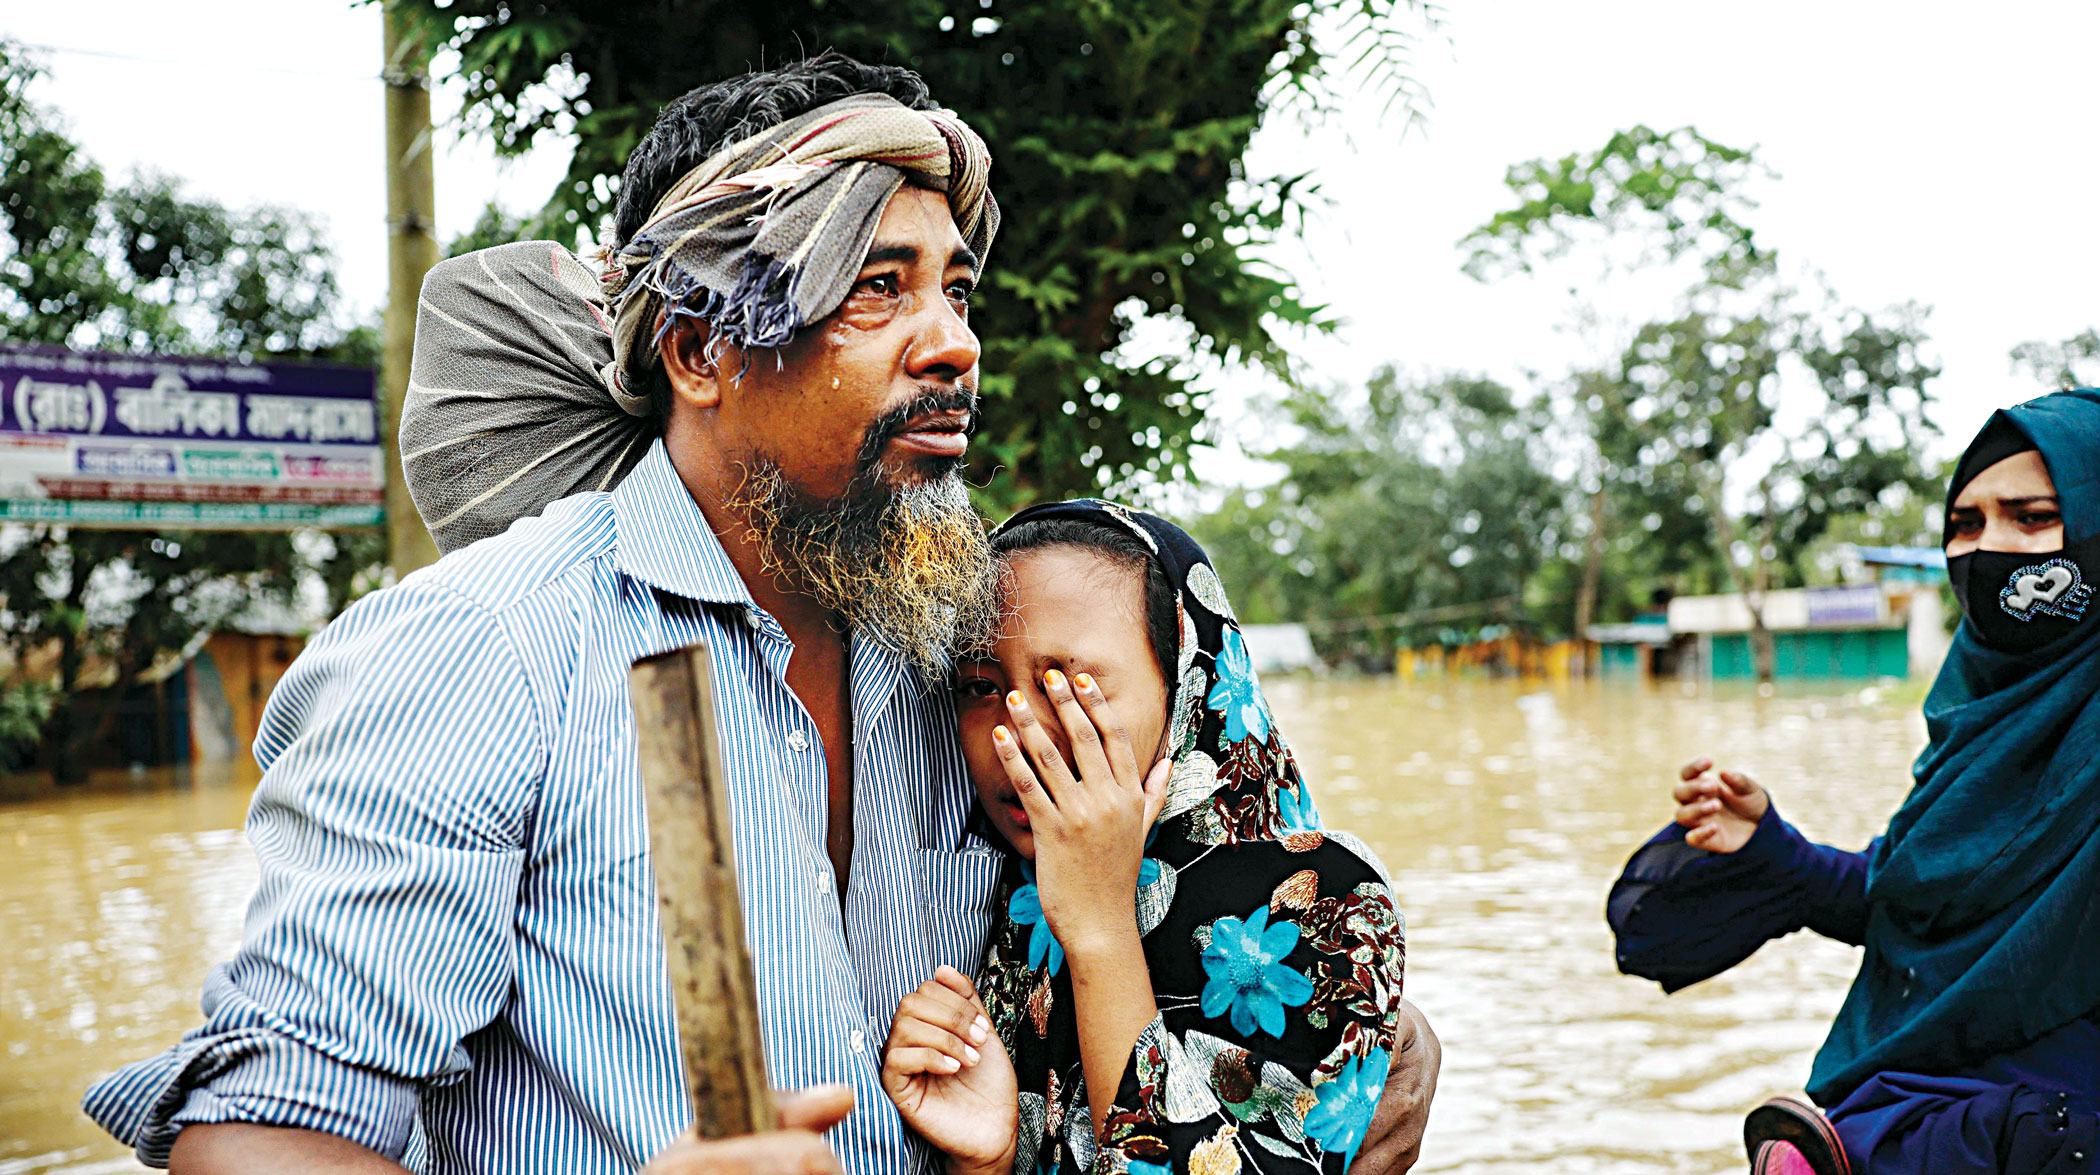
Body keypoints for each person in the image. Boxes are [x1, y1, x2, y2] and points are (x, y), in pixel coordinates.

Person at [82, 54, 1439, 1175]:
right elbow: (255, 1139)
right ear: (700, 351)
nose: (956, 337)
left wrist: (1335, 1058)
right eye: (877, 286)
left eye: (954, 285)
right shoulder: (491, 650)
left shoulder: (946, 651)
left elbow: (1136, 932)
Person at [1608, 389, 2100, 1175]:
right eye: (1964, 524)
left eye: (2032, 516)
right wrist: (1775, 847)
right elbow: (1917, 903)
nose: (1988, 548)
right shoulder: (1975, 713)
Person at [880, 503, 1415, 1175]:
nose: (1017, 736)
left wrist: (1101, 929)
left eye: (1067, 687)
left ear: (1186, 686)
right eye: (982, 687)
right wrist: (984, 1164)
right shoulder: (987, 896)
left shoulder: (1329, 907)